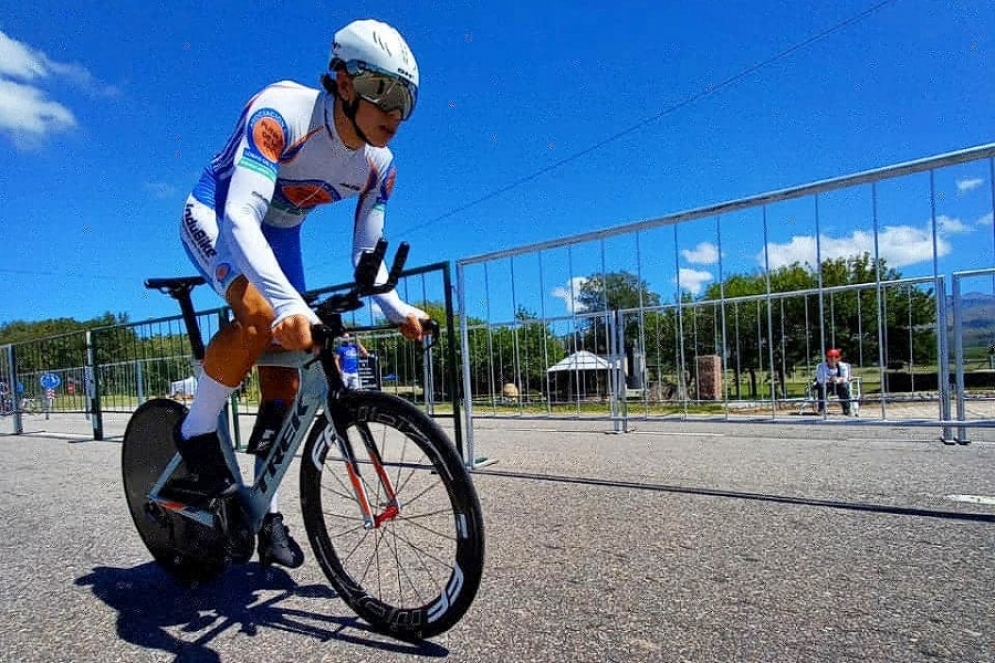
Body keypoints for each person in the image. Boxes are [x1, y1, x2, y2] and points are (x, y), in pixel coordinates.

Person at [174, 18, 428, 569]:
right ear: (343, 82)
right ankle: (195, 433)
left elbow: (367, 257)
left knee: (292, 365)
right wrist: (286, 304)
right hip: (219, 216)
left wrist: (396, 306)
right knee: (261, 316)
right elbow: (240, 215)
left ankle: (256, 506)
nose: (394, 112)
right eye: (383, 91)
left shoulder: (379, 167)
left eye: (406, 99)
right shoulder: (281, 112)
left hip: (281, 233)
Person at [814, 348, 852, 416]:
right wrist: (830, 379)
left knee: (844, 387)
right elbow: (820, 379)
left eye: (835, 357)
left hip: (838, 384)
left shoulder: (843, 366)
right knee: (822, 387)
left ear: (839, 358)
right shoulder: (821, 366)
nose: (832, 359)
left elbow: (845, 378)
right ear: (827, 358)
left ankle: (846, 409)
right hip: (826, 384)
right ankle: (821, 408)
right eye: (830, 357)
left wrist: (837, 380)